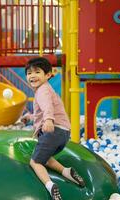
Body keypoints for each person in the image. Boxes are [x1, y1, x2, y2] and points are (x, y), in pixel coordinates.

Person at [21, 57, 85, 200]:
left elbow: (48, 109)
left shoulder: (42, 91)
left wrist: (49, 120)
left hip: (52, 130)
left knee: (35, 162)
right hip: (63, 133)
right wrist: (30, 117)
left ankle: (50, 185)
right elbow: (43, 110)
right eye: (29, 73)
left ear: (48, 75)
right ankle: (67, 172)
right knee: (46, 157)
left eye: (37, 72)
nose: (32, 76)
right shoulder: (47, 90)